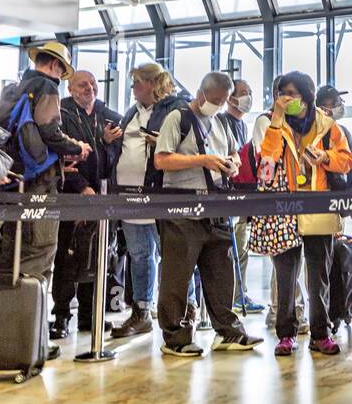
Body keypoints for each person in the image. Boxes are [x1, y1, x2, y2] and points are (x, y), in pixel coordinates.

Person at [0, 41, 89, 361]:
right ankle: (28, 339)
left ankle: (0, 335)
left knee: (10, 255)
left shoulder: (15, 87)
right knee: (38, 254)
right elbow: (49, 130)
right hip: (39, 187)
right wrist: (77, 147)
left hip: (13, 182)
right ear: (57, 66)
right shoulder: (46, 86)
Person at [154, 71, 262, 356]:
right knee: (177, 276)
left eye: (223, 101)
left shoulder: (220, 122)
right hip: (181, 209)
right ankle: (175, 337)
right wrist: (203, 160)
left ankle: (228, 331)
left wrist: (232, 164)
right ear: (201, 94)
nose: (217, 105)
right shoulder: (177, 118)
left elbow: (234, 154)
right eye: (214, 100)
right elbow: (161, 159)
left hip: (215, 208)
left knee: (221, 273)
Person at [252, 72, 352, 356]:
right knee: (285, 277)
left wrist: (325, 159)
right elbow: (266, 163)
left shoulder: (329, 127)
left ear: (307, 95)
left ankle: (321, 333)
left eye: (293, 94)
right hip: (284, 210)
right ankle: (286, 334)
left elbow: (346, 161)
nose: (288, 99)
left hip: (319, 206)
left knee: (318, 277)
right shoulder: (277, 125)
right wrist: (276, 120)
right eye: (282, 94)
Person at [108, 62, 188, 338]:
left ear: (152, 84)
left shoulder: (175, 109)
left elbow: (186, 145)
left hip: (159, 194)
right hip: (129, 196)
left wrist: (162, 143)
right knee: (139, 255)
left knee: (172, 256)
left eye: (137, 82)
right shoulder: (131, 112)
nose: (132, 88)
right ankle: (142, 311)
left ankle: (184, 310)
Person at [51, 70, 123, 339]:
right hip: (71, 197)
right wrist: (82, 186)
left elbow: (112, 159)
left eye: (93, 84)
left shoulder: (110, 117)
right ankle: (60, 316)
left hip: (102, 199)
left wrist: (105, 143)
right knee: (67, 258)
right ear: (70, 89)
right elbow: (63, 157)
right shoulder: (61, 113)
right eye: (83, 84)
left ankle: (89, 316)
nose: (90, 88)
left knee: (96, 257)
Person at [218, 78, 263, 313]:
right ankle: (233, 296)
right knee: (233, 249)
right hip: (228, 196)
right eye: (244, 92)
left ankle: (239, 293)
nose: (248, 96)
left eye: (250, 92)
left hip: (243, 197)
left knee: (242, 249)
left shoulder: (243, 125)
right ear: (230, 97)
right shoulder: (222, 122)